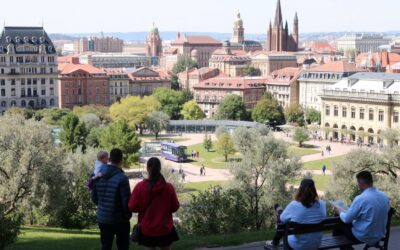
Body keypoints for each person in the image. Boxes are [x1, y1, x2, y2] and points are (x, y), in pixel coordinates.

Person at [129, 157, 180, 250]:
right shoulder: (168, 187)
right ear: (160, 168)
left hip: (147, 228)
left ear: (147, 168)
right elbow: (175, 207)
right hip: (165, 228)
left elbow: (132, 207)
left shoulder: (140, 187)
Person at [333, 171, 389, 249]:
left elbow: (346, 219)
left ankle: (343, 246)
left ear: (361, 184)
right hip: (379, 234)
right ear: (371, 182)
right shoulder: (384, 196)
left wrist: (339, 211)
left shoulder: (361, 198)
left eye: (358, 184)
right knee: (344, 221)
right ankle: (345, 247)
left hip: (364, 235)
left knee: (339, 219)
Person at [265, 179, 326, 250]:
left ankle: (275, 241)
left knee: (283, 222)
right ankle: (275, 241)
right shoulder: (322, 204)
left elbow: (282, 219)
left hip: (298, 246)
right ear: (314, 190)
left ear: (300, 190)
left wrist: (280, 212)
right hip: (316, 244)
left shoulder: (294, 205)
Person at [92, 148, 132, 250]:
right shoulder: (122, 178)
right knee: (123, 247)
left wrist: (103, 207)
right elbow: (126, 202)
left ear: (109, 159)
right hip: (120, 220)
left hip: (103, 218)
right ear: (121, 160)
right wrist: (127, 216)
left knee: (105, 247)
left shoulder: (97, 176)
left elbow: (94, 198)